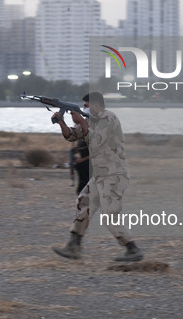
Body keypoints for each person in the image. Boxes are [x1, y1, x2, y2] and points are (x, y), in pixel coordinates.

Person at [51, 92, 143, 262]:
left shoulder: (109, 118)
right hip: (101, 175)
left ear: (96, 105)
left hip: (115, 174)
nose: (84, 107)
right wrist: (61, 122)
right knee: (84, 201)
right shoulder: (90, 121)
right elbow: (71, 135)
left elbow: (96, 140)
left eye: (86, 105)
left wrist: (82, 121)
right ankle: (74, 246)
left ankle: (132, 249)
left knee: (109, 213)